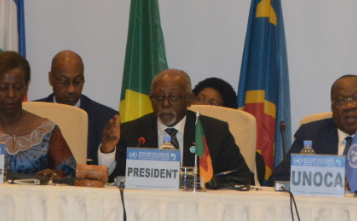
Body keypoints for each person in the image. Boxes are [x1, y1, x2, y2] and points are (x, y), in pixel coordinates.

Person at [98, 69, 254, 183]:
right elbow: (113, 179)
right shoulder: (132, 132)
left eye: (173, 98)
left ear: (189, 100)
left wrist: (209, 183)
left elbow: (243, 178)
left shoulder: (215, 132)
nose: (165, 104)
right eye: (159, 98)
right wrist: (107, 150)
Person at [0, 51, 77, 177]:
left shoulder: (47, 131)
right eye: (3, 88)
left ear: (26, 88)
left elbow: (70, 172)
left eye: (18, 88)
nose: (11, 94)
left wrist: (55, 175)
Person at [33, 50, 117, 164]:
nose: (71, 89)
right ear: (51, 79)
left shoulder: (106, 119)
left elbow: (115, 171)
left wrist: (106, 152)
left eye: (77, 81)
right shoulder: (31, 114)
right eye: (64, 82)